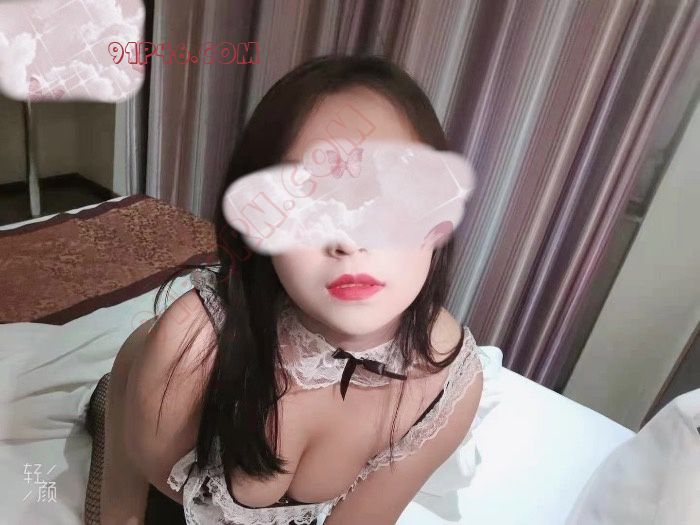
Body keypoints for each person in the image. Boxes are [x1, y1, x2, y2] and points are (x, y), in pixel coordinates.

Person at [84, 54, 484, 525]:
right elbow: (131, 507)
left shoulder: (447, 382)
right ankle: (109, 397)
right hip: (145, 411)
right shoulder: (190, 355)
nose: (349, 239)